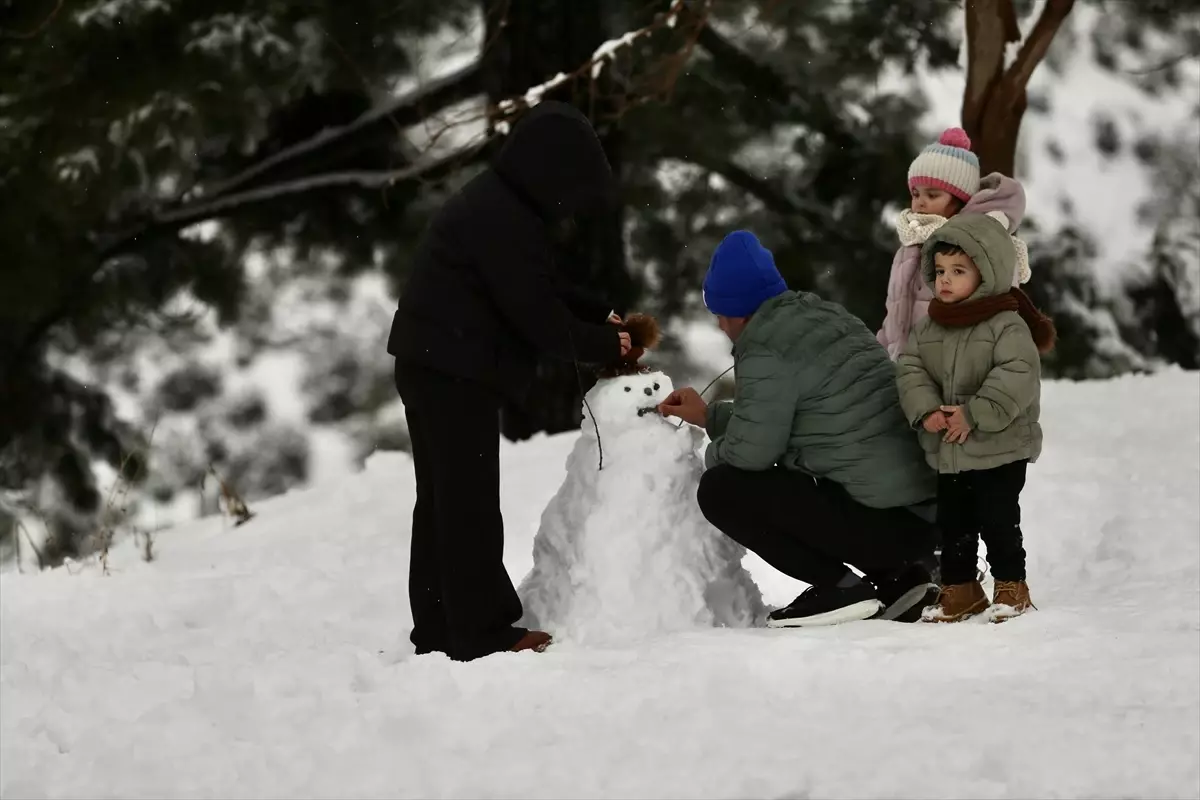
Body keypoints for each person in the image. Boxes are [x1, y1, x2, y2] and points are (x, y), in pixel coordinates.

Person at [385, 101, 632, 661]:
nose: (574, 202)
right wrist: (602, 344)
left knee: (443, 503)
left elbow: (541, 288)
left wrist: (598, 317)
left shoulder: (500, 205)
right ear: (551, 171)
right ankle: (483, 633)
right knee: (468, 504)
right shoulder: (502, 218)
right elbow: (537, 317)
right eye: (573, 185)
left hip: (429, 361)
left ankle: (439, 628)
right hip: (451, 372)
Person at [657, 230, 940, 627]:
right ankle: (899, 578)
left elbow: (751, 453)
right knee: (808, 467)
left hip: (888, 524)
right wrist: (709, 417)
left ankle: (840, 588)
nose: (720, 325)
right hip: (922, 516)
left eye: (719, 313)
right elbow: (791, 419)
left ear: (738, 311)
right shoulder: (823, 316)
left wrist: (711, 452)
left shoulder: (766, 348)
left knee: (722, 488)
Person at [896, 213, 1056, 623]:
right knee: (954, 523)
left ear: (987, 272)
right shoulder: (931, 325)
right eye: (941, 271)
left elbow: (1016, 377)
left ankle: (1010, 585)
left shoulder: (1007, 325)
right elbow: (912, 369)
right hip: (951, 450)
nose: (946, 280)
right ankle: (961, 587)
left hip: (999, 448)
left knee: (998, 518)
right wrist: (927, 410)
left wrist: (974, 413)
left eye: (959, 271)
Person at [876, 127, 1033, 361]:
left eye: (932, 195)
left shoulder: (981, 245)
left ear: (959, 200)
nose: (920, 203)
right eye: (916, 193)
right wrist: (882, 355)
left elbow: (995, 319)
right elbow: (894, 313)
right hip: (903, 370)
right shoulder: (910, 244)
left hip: (951, 374)